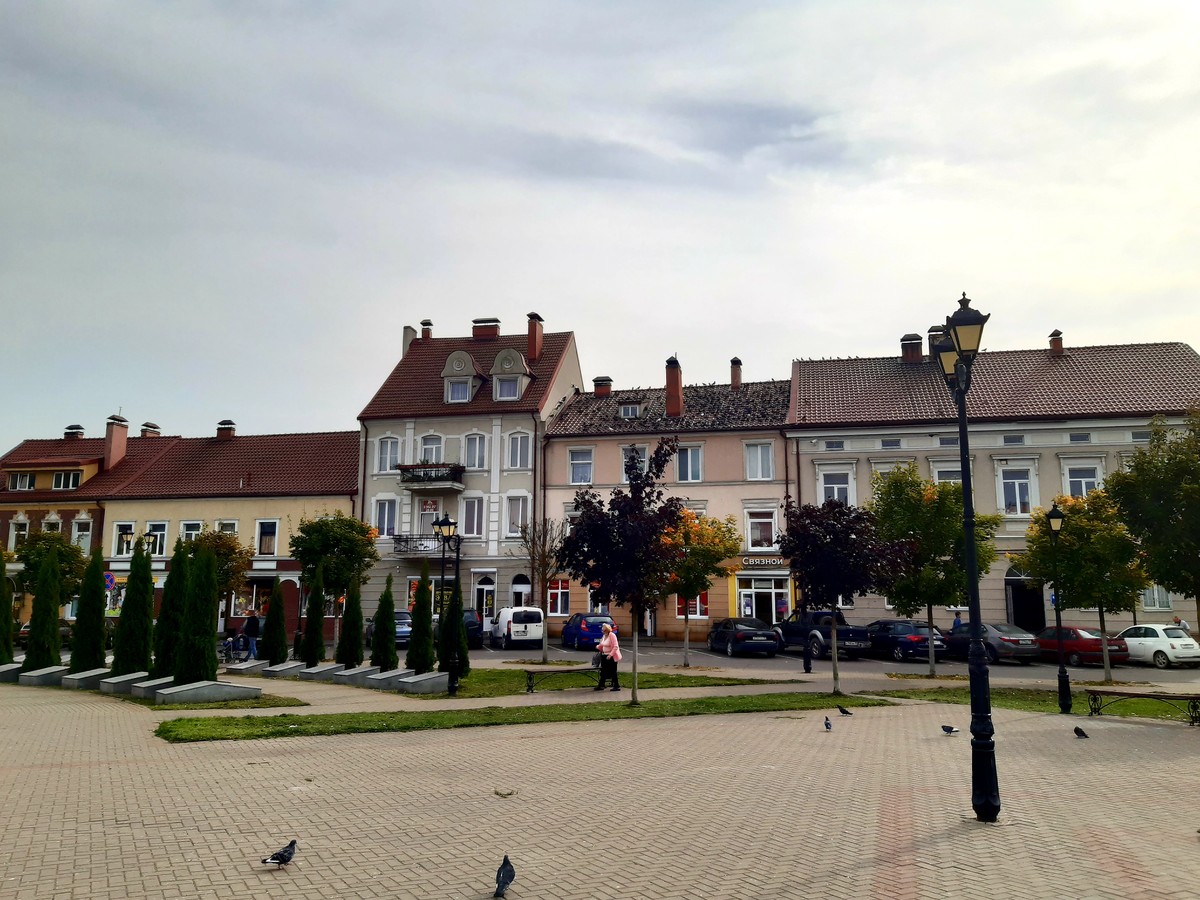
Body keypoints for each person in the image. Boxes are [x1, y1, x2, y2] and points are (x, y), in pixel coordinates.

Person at [594, 622, 622, 692]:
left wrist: (610, 655)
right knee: (603, 671)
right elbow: (602, 644)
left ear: (607, 630)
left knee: (613, 671)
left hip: (611, 656)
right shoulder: (604, 636)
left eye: (604, 630)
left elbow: (615, 646)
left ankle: (616, 685)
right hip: (604, 655)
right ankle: (601, 685)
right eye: (602, 630)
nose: (603, 631)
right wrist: (598, 647)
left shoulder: (612, 635)